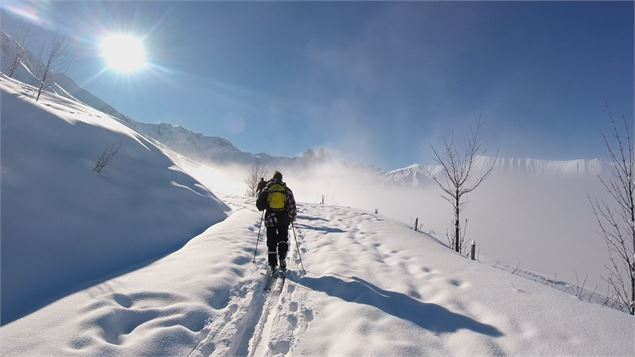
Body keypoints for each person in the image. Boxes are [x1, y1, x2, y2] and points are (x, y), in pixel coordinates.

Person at [256, 171, 296, 272]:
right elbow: (292, 206)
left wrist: (266, 206)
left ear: (273, 178)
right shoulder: (287, 190)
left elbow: (259, 206)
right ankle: (282, 258)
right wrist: (291, 217)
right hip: (283, 219)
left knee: (271, 242)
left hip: (270, 219)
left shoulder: (267, 189)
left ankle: (273, 265)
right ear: (281, 179)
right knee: (283, 239)